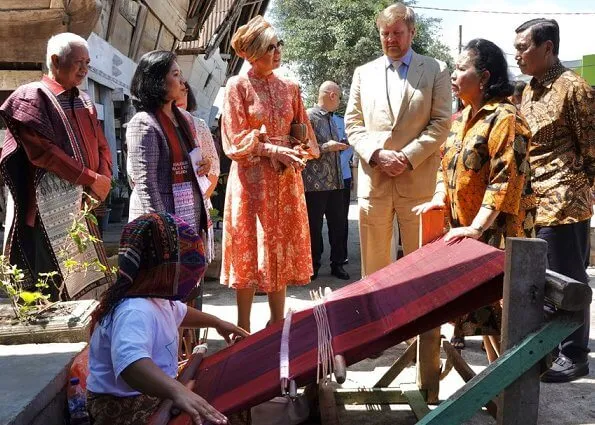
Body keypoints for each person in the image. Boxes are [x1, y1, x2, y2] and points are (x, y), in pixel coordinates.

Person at [413, 38, 535, 362]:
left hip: (500, 234)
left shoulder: (506, 118)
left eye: (460, 68)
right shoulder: (463, 117)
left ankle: (512, 390)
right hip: (470, 232)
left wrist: (477, 228)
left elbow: (505, 179)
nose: (453, 75)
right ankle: (498, 382)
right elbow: (445, 164)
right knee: (486, 316)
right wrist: (439, 199)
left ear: (483, 77)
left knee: (505, 314)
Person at [87, 212, 248, 425]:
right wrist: (178, 391)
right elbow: (131, 365)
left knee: (229, 398)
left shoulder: (155, 298)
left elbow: (179, 312)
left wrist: (216, 322)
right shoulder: (134, 310)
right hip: (123, 405)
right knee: (222, 414)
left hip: (152, 392)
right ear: (163, 271)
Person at [221, 15, 319, 332]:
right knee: (250, 247)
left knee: (279, 246)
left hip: (285, 182)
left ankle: (278, 326)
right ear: (252, 52)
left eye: (279, 45)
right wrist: (272, 150)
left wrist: (299, 154)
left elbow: (305, 136)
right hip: (251, 183)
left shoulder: (290, 88)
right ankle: (242, 328)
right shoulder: (237, 86)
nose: (277, 52)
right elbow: (234, 140)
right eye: (270, 47)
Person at [0, 32, 112, 300]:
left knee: (87, 279)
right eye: (78, 63)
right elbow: (43, 153)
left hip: (86, 204)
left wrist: (104, 179)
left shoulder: (84, 100)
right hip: (45, 213)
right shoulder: (31, 96)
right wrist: (89, 178)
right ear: (55, 60)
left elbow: (101, 144)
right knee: (51, 286)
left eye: (88, 63)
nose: (85, 70)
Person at [344, 2, 451, 277]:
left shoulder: (435, 69)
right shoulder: (362, 73)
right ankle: (376, 319)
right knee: (375, 269)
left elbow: (441, 123)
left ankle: (426, 321)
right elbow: (353, 123)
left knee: (424, 267)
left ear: (412, 32)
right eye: (385, 33)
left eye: (397, 32)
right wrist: (377, 154)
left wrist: (407, 157)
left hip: (418, 184)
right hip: (375, 181)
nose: (390, 39)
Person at [514, 18, 595, 382]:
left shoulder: (574, 88)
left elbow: (591, 148)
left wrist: (579, 190)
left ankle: (575, 354)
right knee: (542, 282)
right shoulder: (529, 89)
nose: (517, 55)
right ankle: (552, 346)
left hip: (564, 201)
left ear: (548, 48)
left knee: (568, 281)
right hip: (533, 201)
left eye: (524, 47)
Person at [303, 81, 350, 281]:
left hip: (337, 182)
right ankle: (313, 265)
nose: (339, 101)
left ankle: (338, 264)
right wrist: (326, 147)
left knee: (338, 225)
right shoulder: (308, 116)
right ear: (331, 95)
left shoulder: (332, 119)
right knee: (313, 227)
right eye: (339, 96)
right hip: (315, 184)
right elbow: (303, 147)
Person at [176, 81, 220, 262]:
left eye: (184, 91)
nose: (180, 97)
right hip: (160, 211)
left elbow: (214, 168)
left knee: (192, 266)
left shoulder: (198, 126)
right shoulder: (147, 123)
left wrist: (200, 201)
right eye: (175, 90)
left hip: (194, 208)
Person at [333, 113, 354, 265]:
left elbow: (351, 145)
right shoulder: (311, 118)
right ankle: (316, 260)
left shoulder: (343, 121)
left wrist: (336, 165)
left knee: (340, 220)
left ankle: (340, 257)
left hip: (342, 176)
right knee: (316, 222)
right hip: (319, 179)